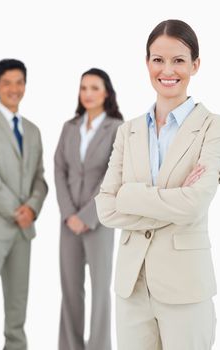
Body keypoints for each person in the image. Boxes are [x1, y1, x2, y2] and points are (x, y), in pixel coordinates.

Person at [95, 19, 220, 350]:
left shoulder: (214, 127)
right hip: (131, 289)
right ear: (147, 63)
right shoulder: (128, 131)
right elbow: (106, 208)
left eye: (179, 60)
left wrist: (131, 196)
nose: (167, 70)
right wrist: (174, 200)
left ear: (195, 65)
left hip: (185, 289)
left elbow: (193, 205)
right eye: (158, 59)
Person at [54, 68, 123, 350]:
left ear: (106, 92)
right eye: (84, 88)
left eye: (94, 88)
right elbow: (59, 169)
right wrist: (70, 214)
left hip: (99, 221)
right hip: (68, 222)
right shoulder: (70, 127)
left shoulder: (117, 127)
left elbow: (114, 174)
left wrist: (86, 216)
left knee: (100, 292)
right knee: (70, 291)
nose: (88, 94)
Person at [0, 59, 48, 349]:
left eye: (19, 82)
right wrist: (17, 210)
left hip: (23, 232)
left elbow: (40, 178)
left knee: (17, 310)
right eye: (7, 83)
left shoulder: (33, 130)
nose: (14, 89)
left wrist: (32, 208)